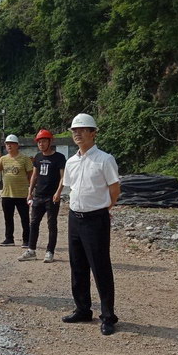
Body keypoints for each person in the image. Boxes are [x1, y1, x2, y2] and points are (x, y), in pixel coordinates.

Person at [56, 114, 121, 336]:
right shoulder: (71, 162)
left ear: (93, 133)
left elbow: (114, 190)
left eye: (82, 130)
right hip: (75, 218)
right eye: (75, 130)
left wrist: (103, 209)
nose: (77, 133)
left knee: (100, 267)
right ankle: (83, 309)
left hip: (96, 219)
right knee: (78, 265)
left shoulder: (105, 159)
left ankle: (108, 316)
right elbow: (71, 187)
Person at [19, 130, 66, 263]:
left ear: (50, 142)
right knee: (34, 223)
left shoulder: (59, 158)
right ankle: (31, 250)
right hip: (38, 196)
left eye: (44, 141)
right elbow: (34, 176)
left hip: (52, 197)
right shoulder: (38, 157)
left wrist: (58, 192)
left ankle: (50, 252)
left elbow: (63, 177)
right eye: (39, 142)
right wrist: (30, 192)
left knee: (52, 224)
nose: (41, 144)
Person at [0, 134, 33, 248]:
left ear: (17, 145)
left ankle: (27, 240)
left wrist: (31, 190)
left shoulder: (24, 159)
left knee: (25, 218)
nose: (9, 146)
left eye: (11, 143)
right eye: (7, 144)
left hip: (21, 193)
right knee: (8, 218)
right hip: (7, 193)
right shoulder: (3, 159)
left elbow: (31, 175)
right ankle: (9, 238)